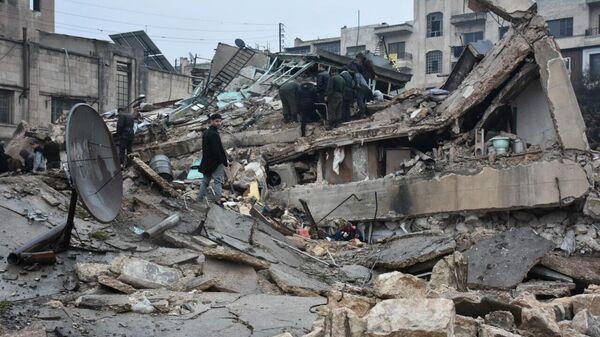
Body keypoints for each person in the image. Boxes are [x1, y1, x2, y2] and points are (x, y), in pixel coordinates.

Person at [197, 114, 228, 205]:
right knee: (218, 182)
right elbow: (216, 150)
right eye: (216, 121)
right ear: (211, 121)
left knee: (205, 182)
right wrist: (223, 161)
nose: (219, 123)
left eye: (220, 121)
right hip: (215, 162)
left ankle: (199, 199)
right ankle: (217, 201)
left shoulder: (206, 132)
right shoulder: (214, 134)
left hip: (207, 162)